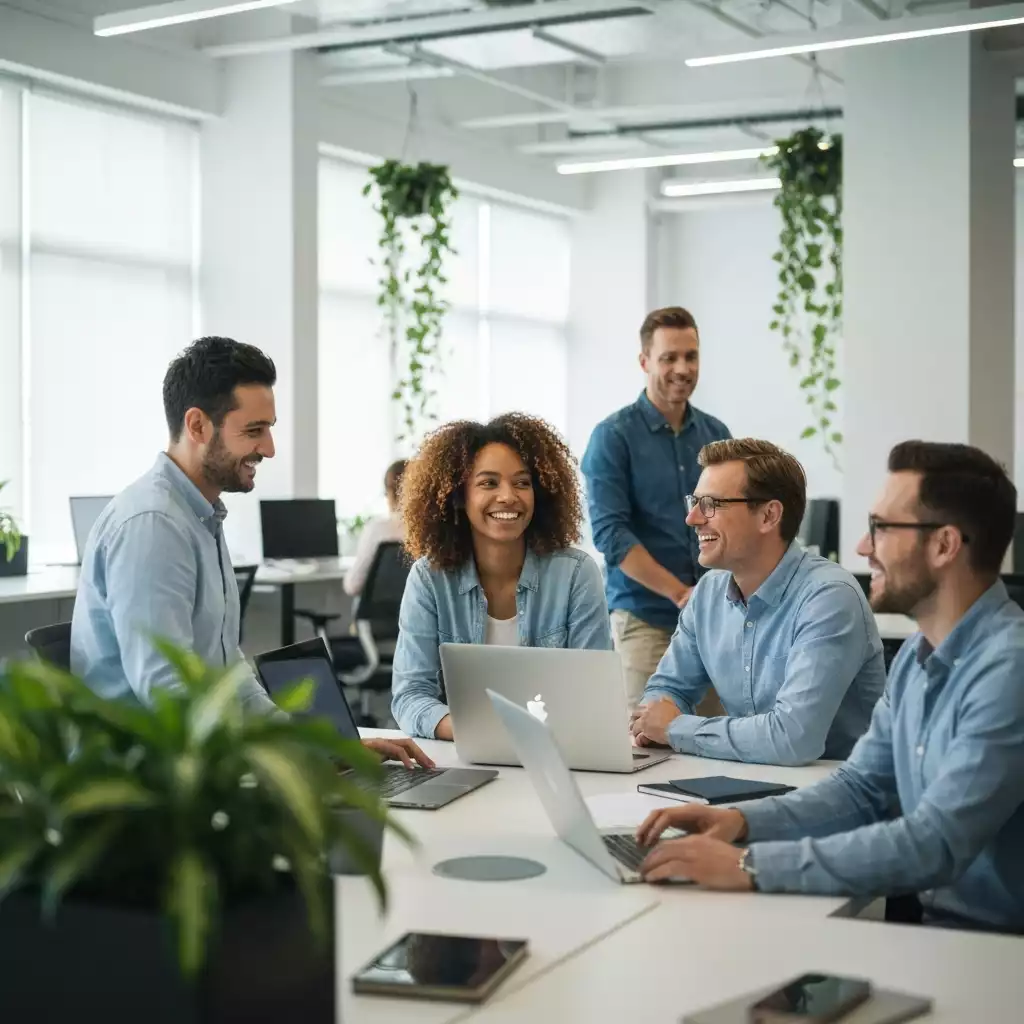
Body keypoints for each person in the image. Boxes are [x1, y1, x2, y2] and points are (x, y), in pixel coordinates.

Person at [635, 441, 1024, 935]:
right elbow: (861, 789)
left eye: (881, 529)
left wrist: (751, 866)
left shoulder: (1009, 669)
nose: (863, 547)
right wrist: (741, 823)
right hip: (932, 925)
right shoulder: (916, 659)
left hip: (998, 951)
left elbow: (936, 844)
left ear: (944, 545)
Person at [70, 336, 429, 769]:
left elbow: (227, 671)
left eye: (270, 427)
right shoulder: (154, 525)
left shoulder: (200, 515)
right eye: (254, 431)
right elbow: (167, 693)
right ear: (198, 426)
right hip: (144, 787)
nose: (270, 448)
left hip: (193, 766)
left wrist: (312, 745)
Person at [631, 438, 885, 766]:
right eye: (694, 501)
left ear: (768, 515)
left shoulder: (829, 597)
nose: (692, 518)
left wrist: (676, 728)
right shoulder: (708, 593)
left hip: (837, 795)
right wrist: (651, 724)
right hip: (749, 783)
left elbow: (793, 739)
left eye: (711, 504)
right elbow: (667, 690)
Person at [391, 413, 613, 740]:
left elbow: (594, 693)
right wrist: (483, 733)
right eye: (488, 483)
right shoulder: (429, 577)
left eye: (522, 482)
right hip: (463, 755)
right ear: (458, 495)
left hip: (558, 752)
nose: (508, 496)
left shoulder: (576, 574)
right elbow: (410, 695)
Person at [581, 306, 731, 711]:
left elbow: (733, 520)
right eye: (669, 358)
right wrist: (682, 593)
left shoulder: (716, 436)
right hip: (646, 620)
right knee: (646, 744)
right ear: (645, 361)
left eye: (691, 356)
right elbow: (612, 536)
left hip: (712, 622)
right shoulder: (613, 437)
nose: (682, 368)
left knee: (714, 740)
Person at [344, 459, 407, 597]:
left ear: (390, 492)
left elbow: (353, 586)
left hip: (378, 617)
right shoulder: (432, 531)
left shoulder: (377, 529)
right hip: (417, 616)